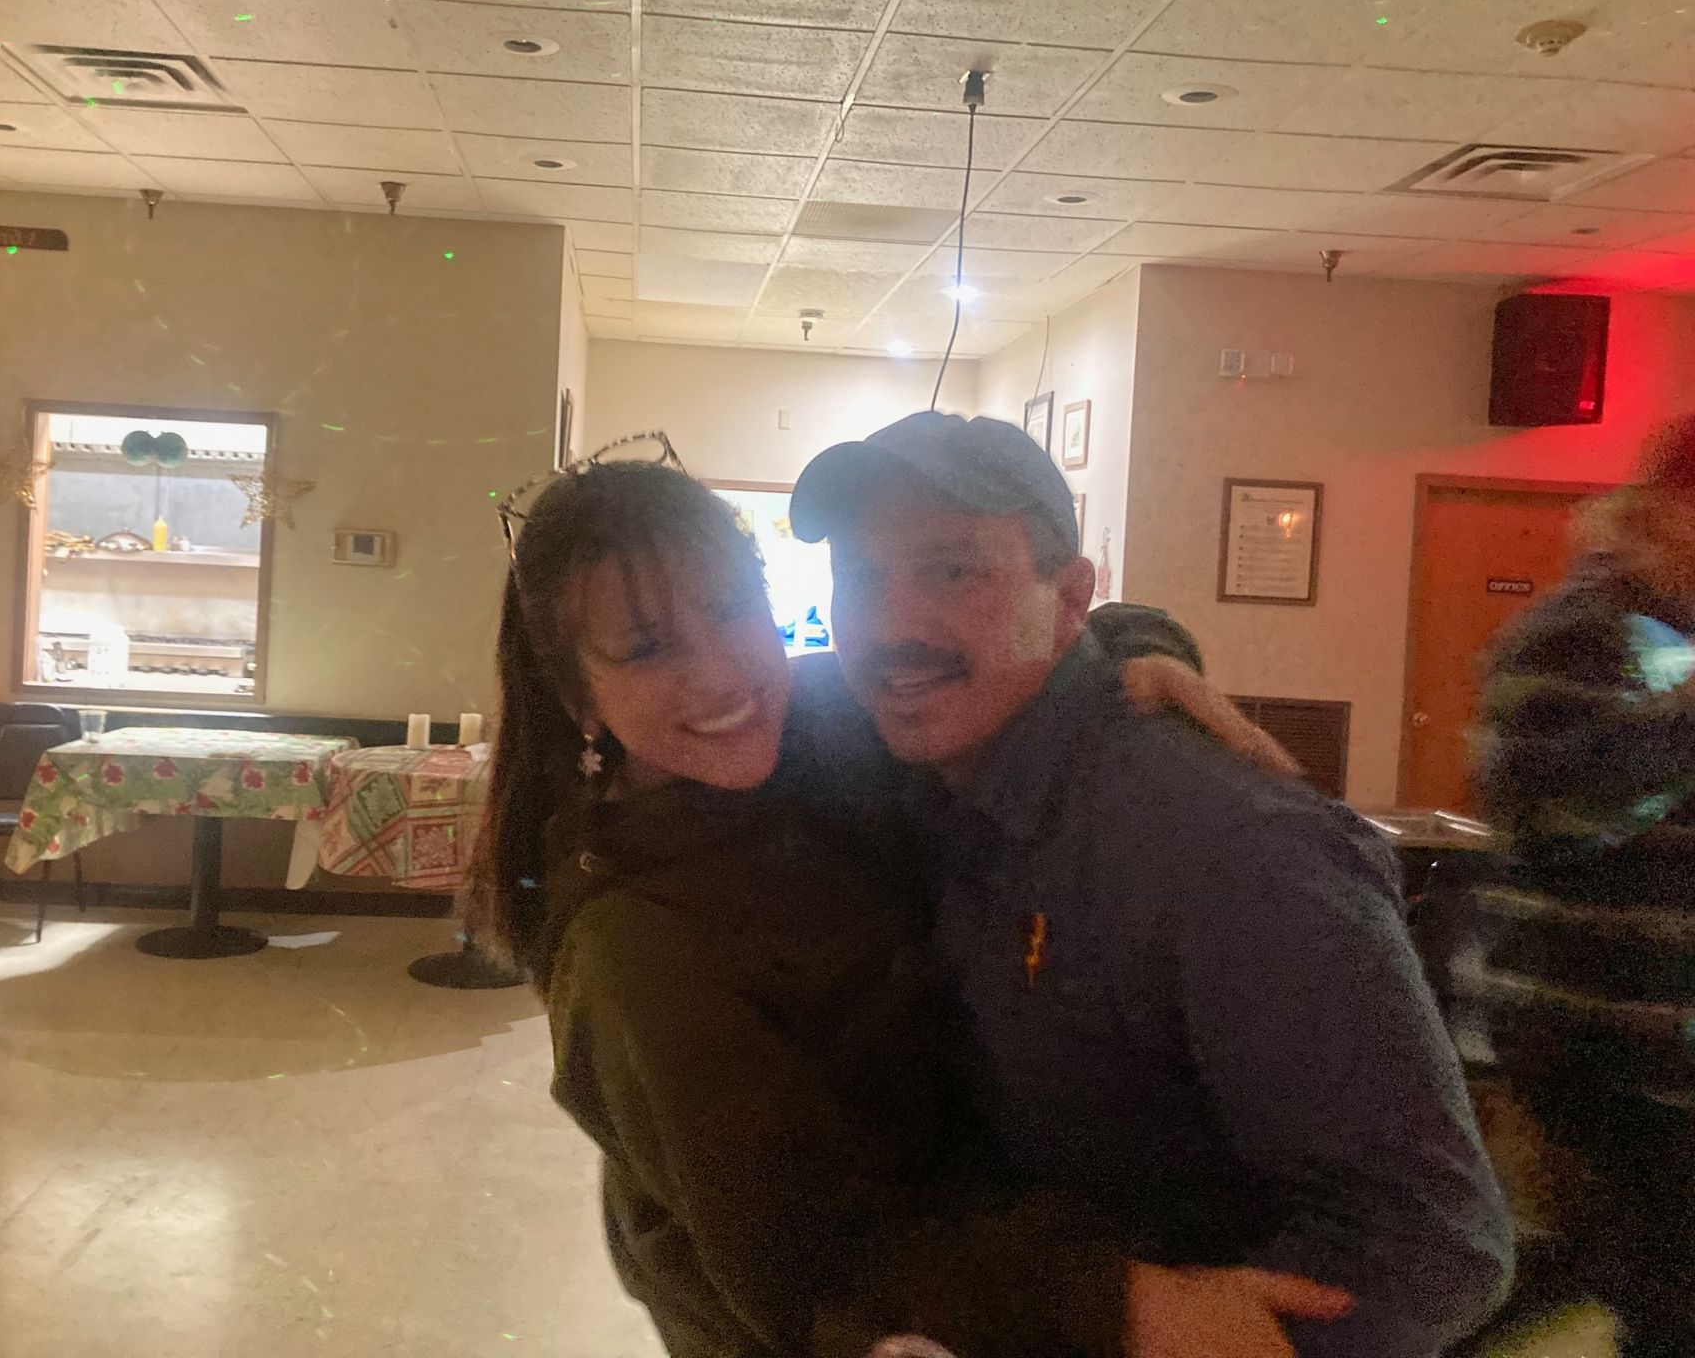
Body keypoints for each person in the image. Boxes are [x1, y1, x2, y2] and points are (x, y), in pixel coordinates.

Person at [462, 453, 1355, 1358]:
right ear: (579, 697)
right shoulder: (632, 949)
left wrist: (1136, 657)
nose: (719, 675)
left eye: (730, 609)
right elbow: (812, 1256)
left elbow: (1008, 649)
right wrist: (1122, 1304)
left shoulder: (817, 728)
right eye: (651, 649)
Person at [789, 412, 1515, 1357]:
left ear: (1069, 596)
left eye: (952, 570)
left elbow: (1432, 1244)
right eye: (860, 577)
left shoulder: (1229, 851)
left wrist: (1155, 1325)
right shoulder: (929, 779)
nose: (893, 627)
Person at [1466, 413, 1695, 1356]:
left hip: (1663, 1068)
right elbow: (1553, 809)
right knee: (1589, 1301)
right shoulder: (1572, 635)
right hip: (1597, 1061)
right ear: (1671, 506)